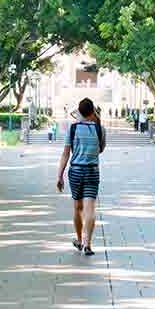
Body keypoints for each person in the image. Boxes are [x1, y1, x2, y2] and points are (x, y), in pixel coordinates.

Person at [56, 98, 106, 256]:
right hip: (92, 171)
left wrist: (60, 176)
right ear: (93, 111)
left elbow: (65, 154)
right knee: (90, 208)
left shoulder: (73, 128)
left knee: (78, 208)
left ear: (80, 112)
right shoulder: (100, 129)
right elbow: (100, 150)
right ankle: (87, 244)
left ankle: (79, 239)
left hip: (76, 171)